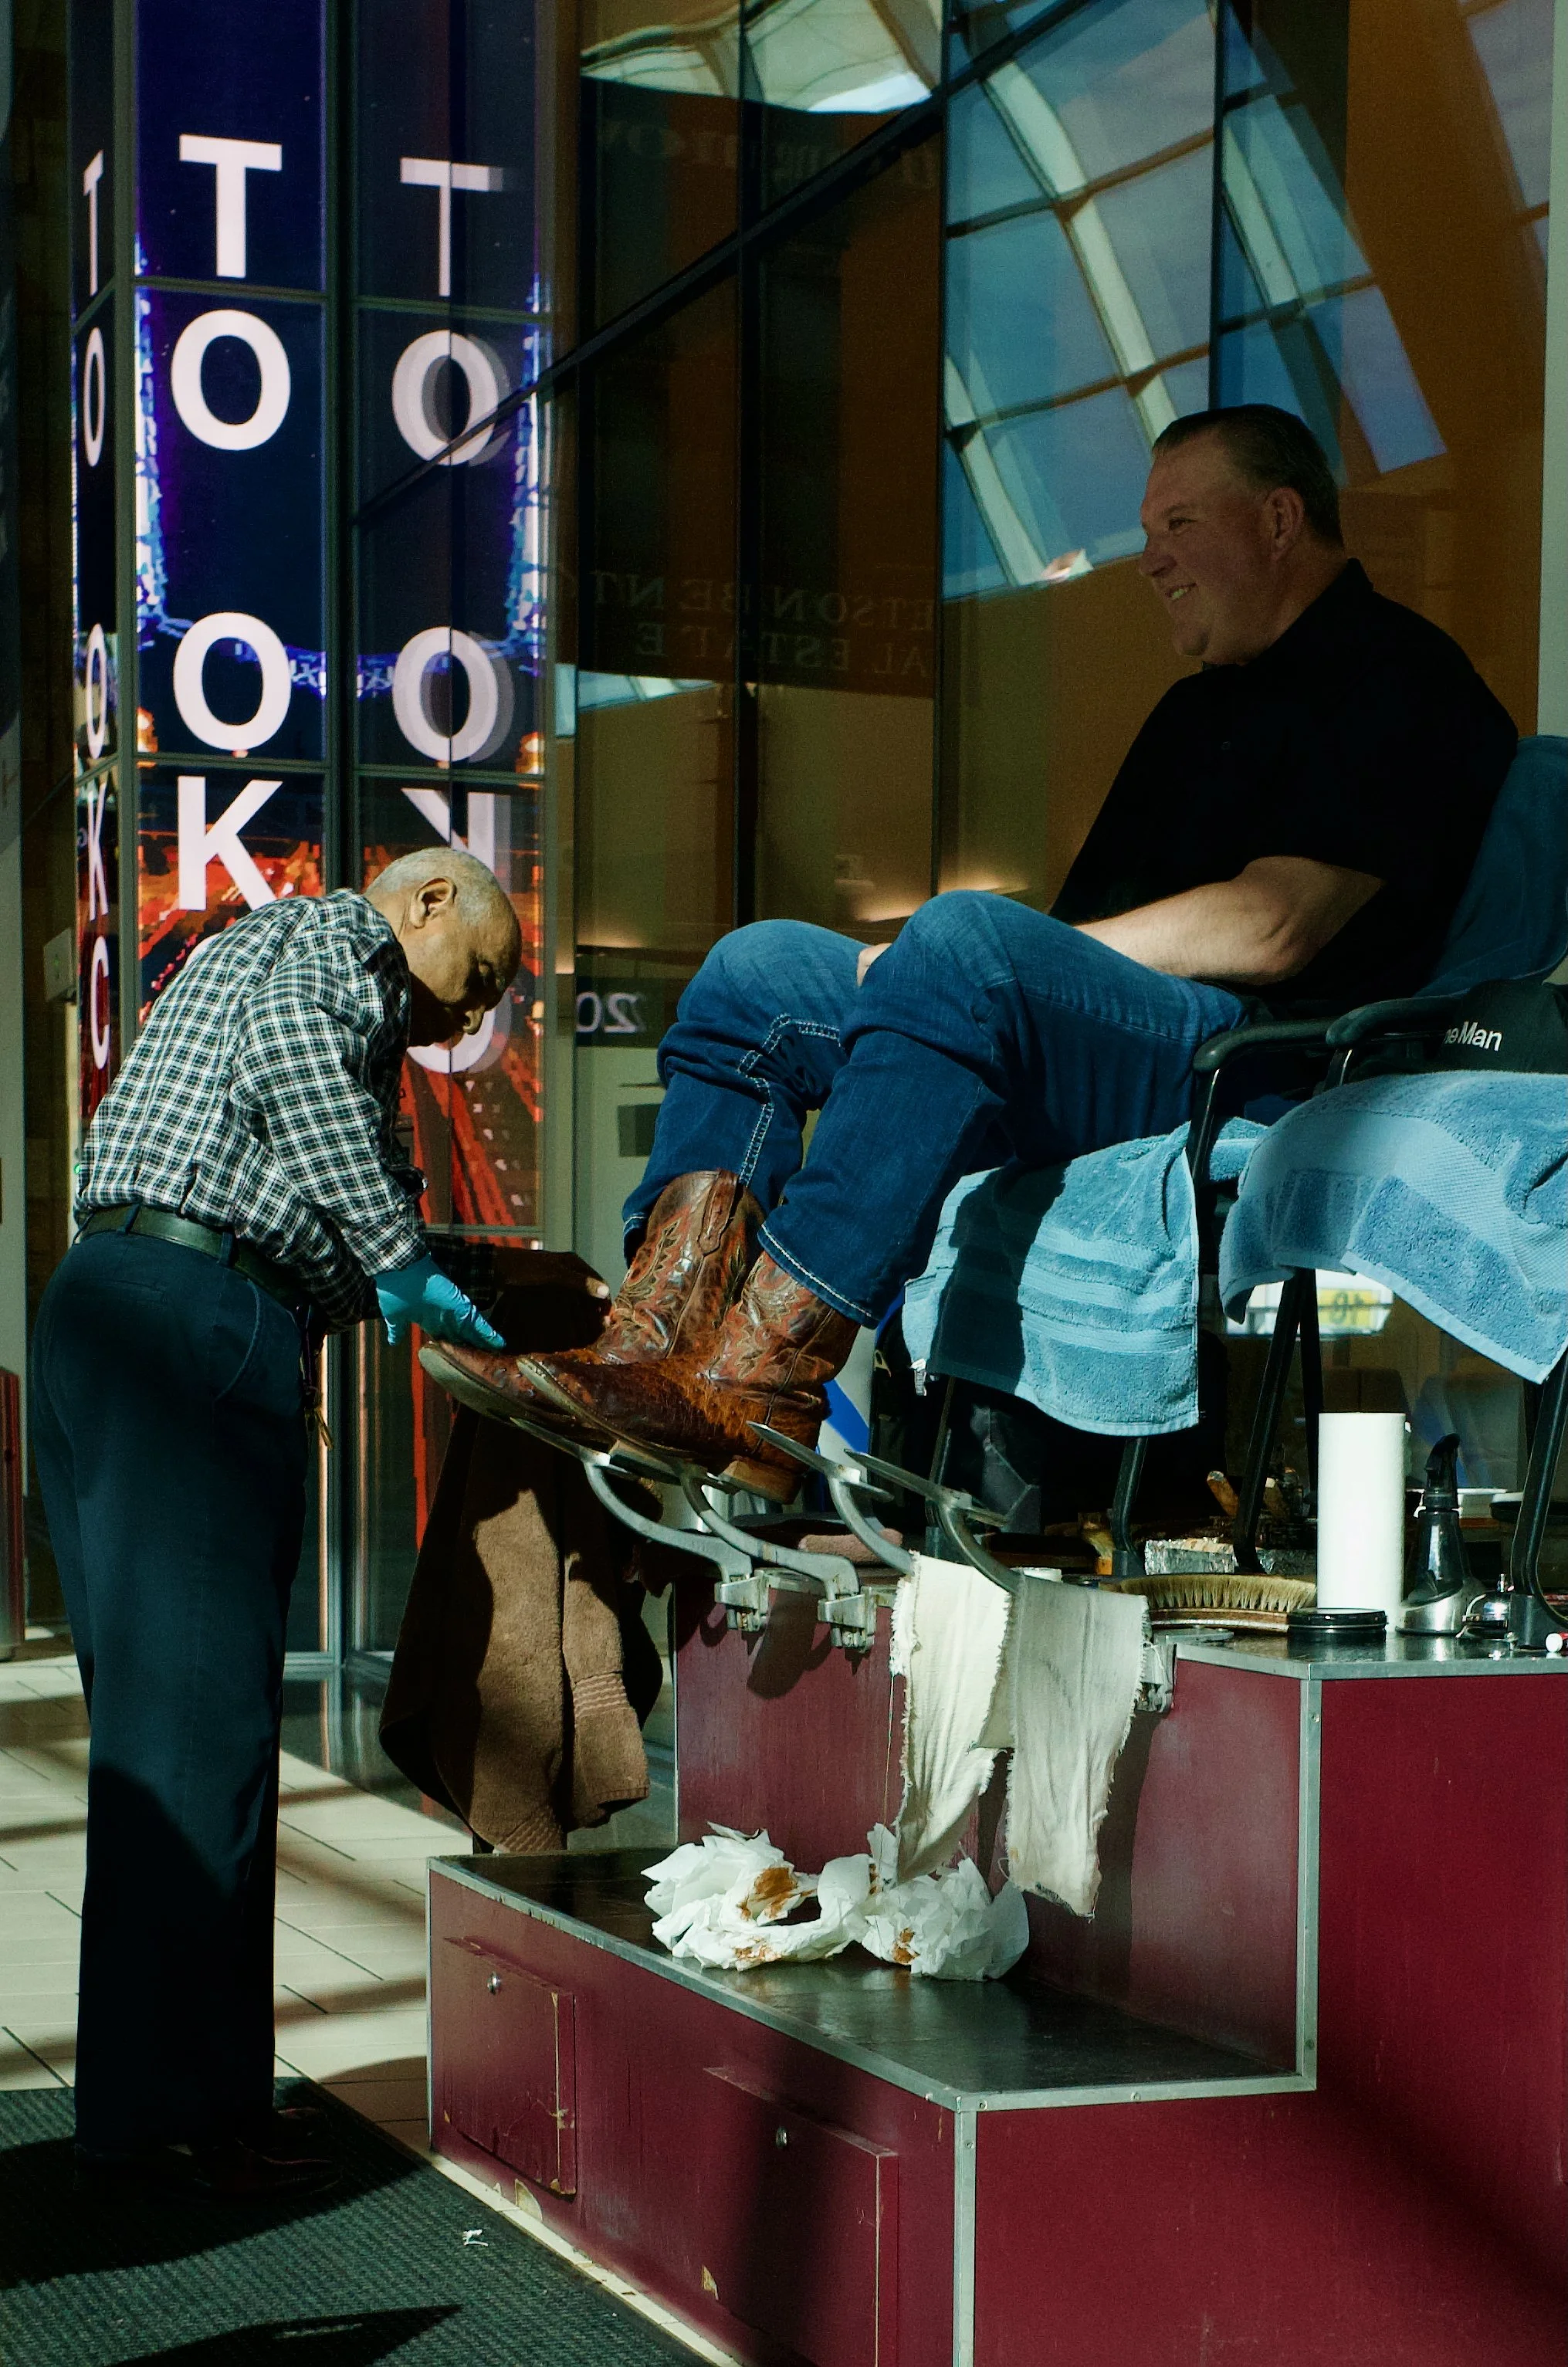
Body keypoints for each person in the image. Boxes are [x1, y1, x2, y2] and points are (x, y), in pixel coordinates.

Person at [425, 404, 1517, 1501]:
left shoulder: (1395, 674)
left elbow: (1275, 924)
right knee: (751, 974)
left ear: (1280, 518)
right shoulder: (1198, 713)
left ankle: (765, 1376)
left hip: (1255, 1058)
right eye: (1149, 528)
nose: (1149, 559)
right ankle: (654, 1354)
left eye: (1179, 521)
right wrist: (949, 977)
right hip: (1121, 1038)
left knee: (961, 941)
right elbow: (1058, 951)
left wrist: (973, 966)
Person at [32, 848, 520, 2201]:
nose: (458, 1024)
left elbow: (286, 1170)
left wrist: (411, 1267)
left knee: (159, 1735)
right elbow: (309, 1078)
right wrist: (404, 1261)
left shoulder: (247, 957)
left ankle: (170, 2104)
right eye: (471, 980)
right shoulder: (332, 955)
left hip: (106, 1300)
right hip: (197, 1325)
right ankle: (174, 2121)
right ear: (422, 903)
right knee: (211, 1742)